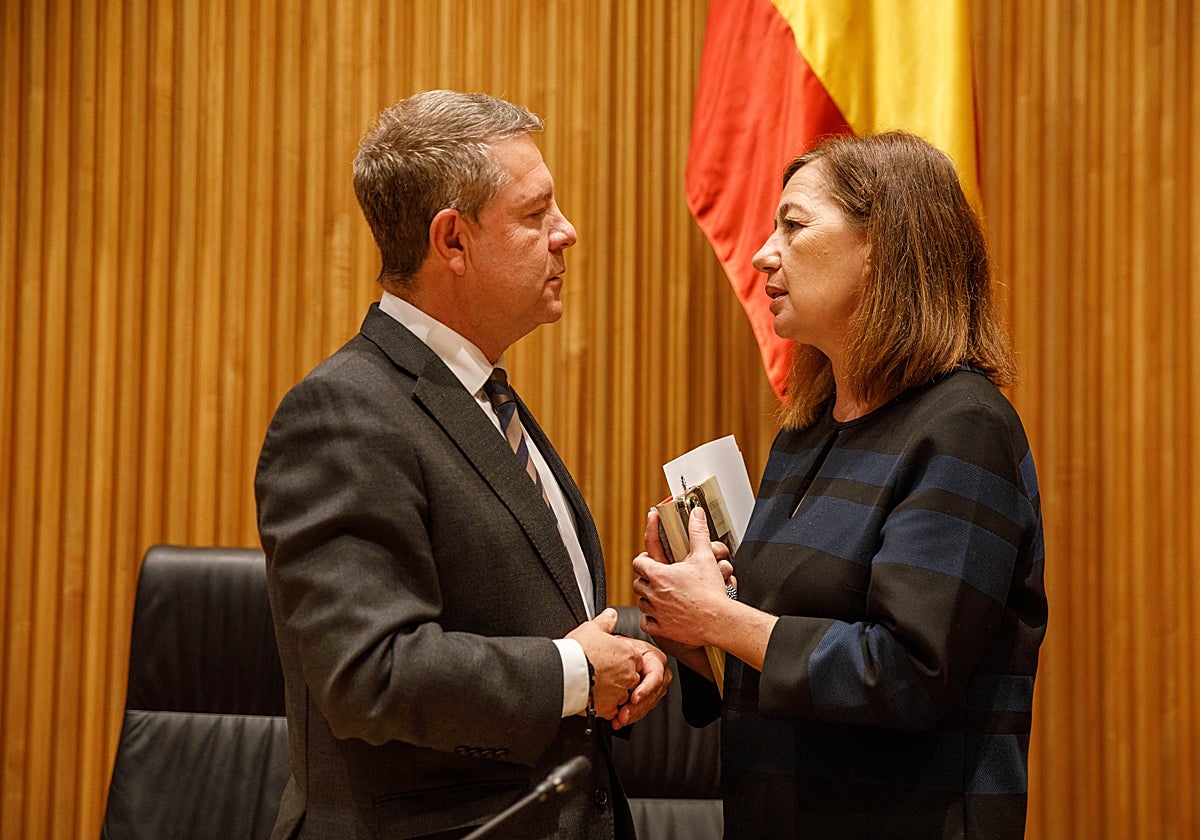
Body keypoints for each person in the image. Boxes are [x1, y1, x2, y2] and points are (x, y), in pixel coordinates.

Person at [255, 90, 670, 840]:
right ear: (453, 241)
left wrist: (631, 647)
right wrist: (576, 675)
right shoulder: (344, 413)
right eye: (535, 213)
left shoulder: (479, 394)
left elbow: (522, 614)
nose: (566, 232)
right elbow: (371, 673)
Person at [633, 132, 1048, 839]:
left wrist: (720, 619)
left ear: (882, 249)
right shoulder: (804, 433)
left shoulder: (963, 427)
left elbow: (907, 675)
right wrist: (690, 628)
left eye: (793, 226)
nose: (763, 254)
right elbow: (771, 662)